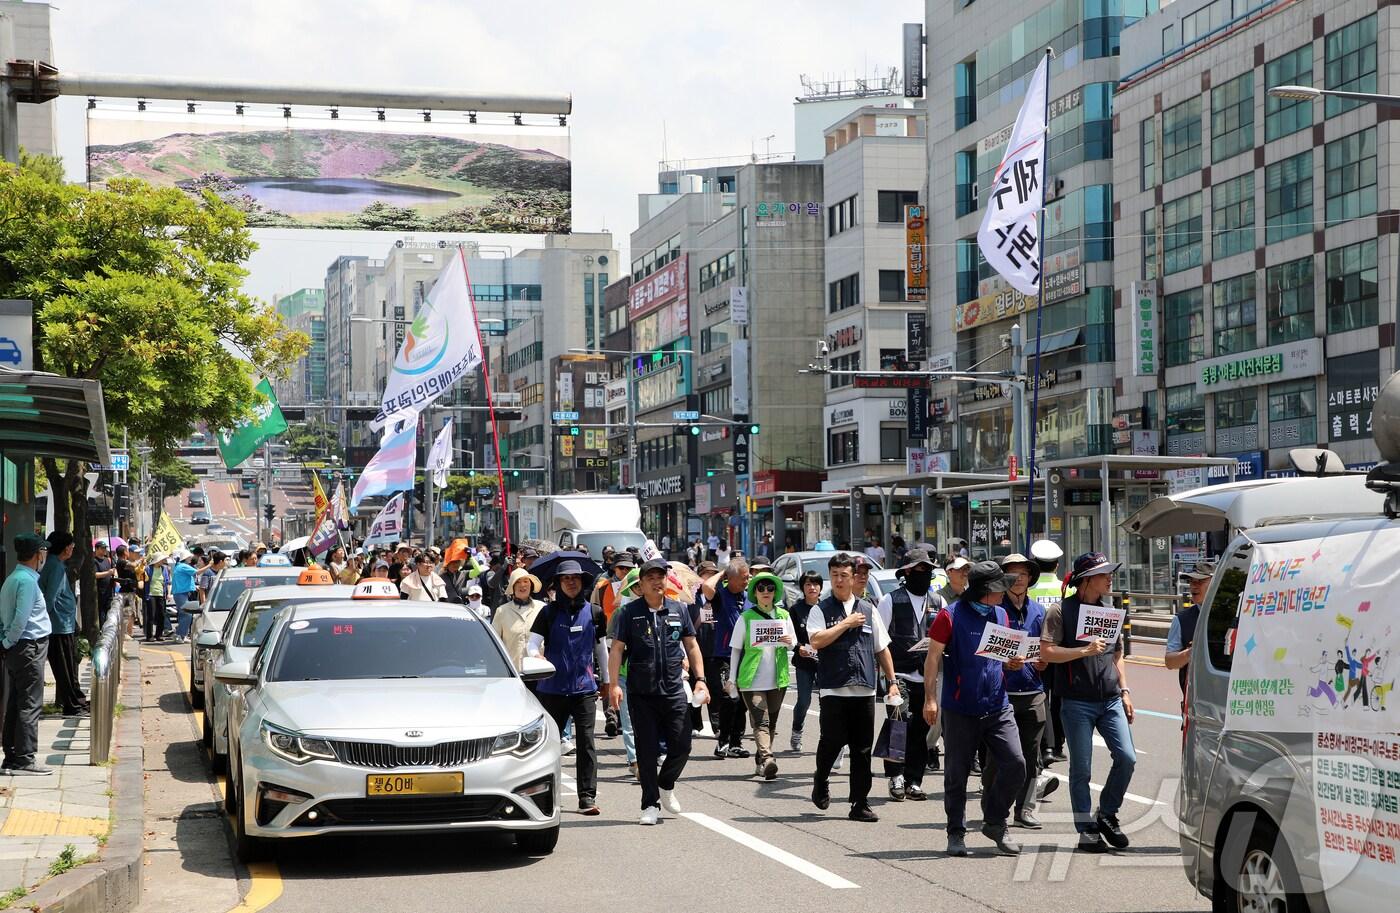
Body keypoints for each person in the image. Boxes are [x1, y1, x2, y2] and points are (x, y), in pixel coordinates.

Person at [922, 560, 1026, 856]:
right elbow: (932, 659)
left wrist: (1012, 662)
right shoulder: (949, 616)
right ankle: (955, 832)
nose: (1003, 593)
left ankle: (995, 821)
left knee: (1016, 764)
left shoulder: (1002, 614)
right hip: (960, 708)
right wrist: (930, 698)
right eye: (998, 589)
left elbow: (1003, 656)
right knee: (957, 774)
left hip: (997, 705)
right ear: (983, 591)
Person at [1040, 552, 1136, 852]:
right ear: (1086, 580)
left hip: (1110, 699)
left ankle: (1107, 814)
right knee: (1081, 769)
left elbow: (1116, 655)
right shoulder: (1060, 611)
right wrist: (1082, 651)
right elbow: (1047, 653)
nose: (1110, 578)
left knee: (1127, 758)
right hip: (1076, 702)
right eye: (1104, 574)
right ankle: (1086, 830)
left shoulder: (1111, 611)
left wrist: (1125, 690)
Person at [607, 559, 710, 825]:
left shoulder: (679, 609)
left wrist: (701, 679)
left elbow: (692, 645)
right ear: (640, 584)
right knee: (647, 750)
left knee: (682, 744)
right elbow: (617, 649)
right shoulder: (629, 613)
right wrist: (614, 685)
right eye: (650, 577)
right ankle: (650, 804)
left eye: (661, 576)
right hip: (642, 692)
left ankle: (666, 783)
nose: (657, 581)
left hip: (674, 689)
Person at [807, 552, 899, 823]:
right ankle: (821, 779)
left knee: (862, 750)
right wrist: (846, 623)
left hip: (865, 689)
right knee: (831, 742)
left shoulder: (868, 609)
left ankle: (860, 802)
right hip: (834, 688)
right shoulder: (820, 610)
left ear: (853, 578)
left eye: (843, 575)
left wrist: (892, 683)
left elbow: (882, 649)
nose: (838, 580)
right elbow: (817, 641)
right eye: (834, 575)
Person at [528, 560, 607, 815]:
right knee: (547, 747)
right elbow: (532, 644)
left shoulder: (595, 613)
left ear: (582, 582)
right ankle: (543, 795)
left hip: (584, 688)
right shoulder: (548, 613)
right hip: (551, 690)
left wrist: (607, 680)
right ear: (559, 584)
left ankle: (587, 797)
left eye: (576, 578)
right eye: (566, 579)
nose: (571, 582)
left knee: (586, 744)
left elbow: (601, 649)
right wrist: (537, 656)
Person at [995, 553, 1058, 829]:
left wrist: (1044, 661)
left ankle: (1025, 809)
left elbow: (1045, 648)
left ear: (1031, 578)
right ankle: (996, 809)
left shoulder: (1038, 612)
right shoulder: (995, 610)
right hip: (1001, 694)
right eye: (1012, 573)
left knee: (1031, 757)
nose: (1019, 578)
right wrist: (1002, 661)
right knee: (1003, 758)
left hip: (1033, 691)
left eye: (1023, 573)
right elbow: (986, 649)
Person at [877, 548, 945, 802]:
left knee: (921, 729)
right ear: (906, 572)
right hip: (899, 675)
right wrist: (889, 679)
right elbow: (881, 641)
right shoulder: (890, 600)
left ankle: (914, 780)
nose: (924, 574)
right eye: (919, 570)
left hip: (928, 677)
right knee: (898, 723)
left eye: (928, 570)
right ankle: (895, 775)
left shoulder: (939, 602)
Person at [727, 570, 795, 780]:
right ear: (755, 593)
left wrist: (788, 641)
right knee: (761, 722)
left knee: (771, 723)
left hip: (778, 679)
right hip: (751, 680)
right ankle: (767, 759)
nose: (766, 592)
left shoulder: (784, 616)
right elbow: (736, 649)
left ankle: (760, 761)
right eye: (761, 588)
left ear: (776, 592)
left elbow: (794, 642)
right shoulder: (746, 618)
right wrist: (731, 678)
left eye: (770, 588)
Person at [0, 533, 53, 774]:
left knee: (16, 701)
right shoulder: (28, 581)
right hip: (28, 646)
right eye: (44, 553)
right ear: (37, 555)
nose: (45, 557)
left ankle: (11, 753)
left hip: (19, 647)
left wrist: (7, 642)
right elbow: (21, 618)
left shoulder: (13, 578)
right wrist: (10, 641)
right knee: (30, 702)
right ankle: (24, 758)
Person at [700, 559, 751, 759]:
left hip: (748, 656)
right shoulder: (721, 595)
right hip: (724, 655)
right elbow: (706, 586)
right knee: (730, 698)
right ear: (730, 579)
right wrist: (722, 573)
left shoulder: (750, 597)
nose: (747, 582)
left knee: (743, 701)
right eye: (743, 578)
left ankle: (736, 743)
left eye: (748, 578)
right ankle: (723, 742)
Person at [40, 532, 87, 716]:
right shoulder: (56, 567)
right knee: (65, 669)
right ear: (65, 547)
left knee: (67, 667)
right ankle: (72, 705)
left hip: (63, 623)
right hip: (59, 625)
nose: (73, 548)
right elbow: (50, 598)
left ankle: (76, 701)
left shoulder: (54, 564)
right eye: (71, 545)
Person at [1166, 560, 1215, 695]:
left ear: (1215, 582)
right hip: (1194, 699)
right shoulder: (1181, 619)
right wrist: (1189, 654)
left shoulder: (1232, 615)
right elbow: (1169, 662)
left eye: (1200, 581)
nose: (1194, 586)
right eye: (1191, 581)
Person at [788, 570, 823, 752]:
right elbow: (790, 635)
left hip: (825, 663)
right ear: (803, 587)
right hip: (804, 663)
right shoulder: (796, 609)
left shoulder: (827, 607)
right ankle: (797, 730)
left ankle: (827, 738)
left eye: (815, 584)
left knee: (827, 702)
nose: (812, 587)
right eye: (808, 584)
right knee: (804, 701)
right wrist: (798, 648)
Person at [492, 567, 545, 672]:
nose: (522, 585)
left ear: (531, 585)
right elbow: (495, 644)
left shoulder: (542, 608)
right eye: (518, 582)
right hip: (513, 672)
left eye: (526, 581)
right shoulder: (502, 611)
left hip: (539, 671)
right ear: (513, 586)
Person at [171, 555, 199, 643]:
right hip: (181, 593)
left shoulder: (179, 566)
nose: (190, 558)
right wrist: (209, 565)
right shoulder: (183, 566)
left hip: (183, 593)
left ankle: (182, 635)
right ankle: (179, 634)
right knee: (187, 614)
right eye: (188, 557)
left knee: (184, 614)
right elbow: (197, 572)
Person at [145, 554, 171, 641]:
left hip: (161, 594)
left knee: (162, 615)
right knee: (151, 615)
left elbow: (167, 582)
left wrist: (168, 593)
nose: (163, 561)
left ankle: (159, 634)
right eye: (161, 559)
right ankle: (149, 636)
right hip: (151, 594)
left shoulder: (164, 569)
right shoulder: (148, 569)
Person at [92, 540, 117, 618]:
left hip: (109, 590)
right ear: (96, 549)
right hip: (100, 592)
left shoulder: (107, 560)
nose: (104, 550)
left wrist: (114, 575)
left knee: (109, 611)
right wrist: (108, 573)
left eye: (105, 548)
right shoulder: (94, 561)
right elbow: (95, 575)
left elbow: (113, 571)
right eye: (102, 548)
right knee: (101, 612)